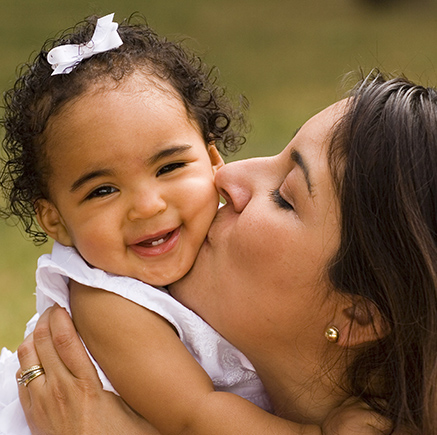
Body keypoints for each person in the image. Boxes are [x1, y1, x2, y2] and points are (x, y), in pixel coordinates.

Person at [0, 12, 385, 435]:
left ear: (213, 159)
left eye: (169, 167)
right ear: (54, 219)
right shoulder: (106, 301)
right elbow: (196, 414)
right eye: (102, 191)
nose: (147, 206)